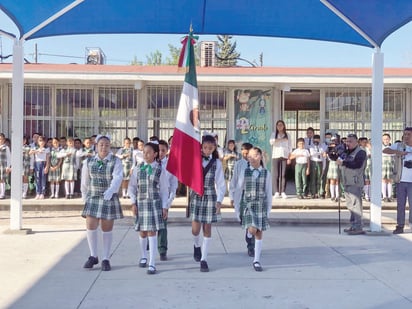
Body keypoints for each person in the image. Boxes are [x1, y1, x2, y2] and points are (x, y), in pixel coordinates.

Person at [81, 135, 123, 271]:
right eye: (101, 145)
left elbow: (118, 177)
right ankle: (93, 255)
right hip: (93, 196)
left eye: (106, 145)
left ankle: (106, 258)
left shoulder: (115, 161)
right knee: (91, 224)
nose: (104, 147)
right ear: (96, 146)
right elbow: (85, 181)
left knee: (106, 227)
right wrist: (85, 197)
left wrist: (111, 190)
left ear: (110, 146)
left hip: (107, 196)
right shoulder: (88, 161)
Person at [128, 141, 169, 275]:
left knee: (152, 232)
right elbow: (132, 187)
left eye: (148, 152)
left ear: (155, 154)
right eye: (144, 152)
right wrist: (133, 203)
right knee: (142, 232)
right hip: (141, 203)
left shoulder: (159, 169)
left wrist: (164, 206)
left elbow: (164, 189)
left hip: (154, 203)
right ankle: (143, 256)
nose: (145, 155)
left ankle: (152, 262)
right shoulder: (138, 168)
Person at [190, 134, 225, 272]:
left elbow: (221, 184)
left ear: (214, 148)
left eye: (210, 148)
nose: (207, 150)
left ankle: (204, 259)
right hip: (197, 195)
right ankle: (196, 245)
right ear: (201, 147)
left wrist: (219, 201)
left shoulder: (217, 163)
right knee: (195, 229)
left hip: (210, 195)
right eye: (205, 147)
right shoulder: (195, 160)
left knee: (207, 228)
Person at [239, 146, 272, 271]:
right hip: (248, 204)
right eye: (249, 156)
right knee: (252, 230)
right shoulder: (245, 171)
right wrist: (237, 205)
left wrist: (268, 209)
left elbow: (268, 192)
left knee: (259, 232)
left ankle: (256, 260)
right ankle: (248, 233)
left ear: (260, 157)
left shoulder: (266, 173)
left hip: (260, 205)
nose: (251, 158)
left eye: (254, 156)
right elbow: (239, 188)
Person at [383, 127, 412, 234]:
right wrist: (397, 152)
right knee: (401, 205)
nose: (406, 136)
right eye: (405, 134)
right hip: (401, 180)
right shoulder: (399, 145)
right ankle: (400, 225)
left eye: (409, 134)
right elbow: (385, 150)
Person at [336, 134, 367, 235]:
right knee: (350, 205)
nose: (347, 143)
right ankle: (353, 225)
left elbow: (357, 164)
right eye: (347, 141)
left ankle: (358, 226)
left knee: (356, 204)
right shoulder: (347, 152)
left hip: (355, 181)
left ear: (356, 142)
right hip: (346, 181)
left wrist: (343, 163)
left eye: (350, 141)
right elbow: (339, 159)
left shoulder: (361, 152)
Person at [229, 142, 254, 257]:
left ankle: (251, 246)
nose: (245, 155)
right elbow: (233, 181)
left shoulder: (257, 163)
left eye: (247, 153)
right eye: (243, 153)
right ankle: (248, 234)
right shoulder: (239, 164)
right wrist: (231, 196)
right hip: (241, 194)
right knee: (243, 219)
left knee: (252, 220)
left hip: (253, 195)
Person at [157, 139, 178, 261]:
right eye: (158, 150)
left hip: (164, 198)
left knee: (163, 225)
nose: (160, 153)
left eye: (163, 150)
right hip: (151, 197)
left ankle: (162, 249)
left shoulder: (171, 164)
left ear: (167, 151)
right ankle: (149, 244)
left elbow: (173, 184)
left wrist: (169, 201)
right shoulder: (150, 163)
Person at [269, 120, 292, 199]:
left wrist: (289, 157)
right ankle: (276, 192)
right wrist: (281, 140)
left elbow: (290, 147)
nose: (280, 126)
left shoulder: (287, 135)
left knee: (283, 174)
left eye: (281, 125)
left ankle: (282, 191)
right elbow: (271, 142)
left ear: (284, 126)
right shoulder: (274, 134)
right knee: (276, 174)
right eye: (278, 125)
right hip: (276, 156)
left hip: (285, 156)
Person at [30, 135, 50, 199]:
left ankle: (42, 193)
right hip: (37, 164)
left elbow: (47, 158)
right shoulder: (35, 148)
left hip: (43, 163)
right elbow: (30, 153)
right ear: (38, 142)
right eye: (40, 141)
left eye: (43, 141)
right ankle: (38, 192)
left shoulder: (47, 149)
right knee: (37, 178)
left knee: (43, 178)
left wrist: (47, 166)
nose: (41, 142)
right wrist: (37, 151)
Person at [382, 133, 394, 202]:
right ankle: (384, 196)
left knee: (389, 180)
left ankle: (390, 196)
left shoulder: (392, 147)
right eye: (384, 139)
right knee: (383, 180)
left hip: (390, 164)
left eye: (387, 139)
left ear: (389, 139)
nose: (386, 140)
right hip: (383, 164)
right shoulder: (381, 146)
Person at [0, 133, 11, 199]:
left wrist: (8, 166)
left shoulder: (6, 147)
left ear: (4, 140)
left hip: (3, 165)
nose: (0, 140)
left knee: (2, 179)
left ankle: (2, 193)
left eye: (1, 139)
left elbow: (9, 157)